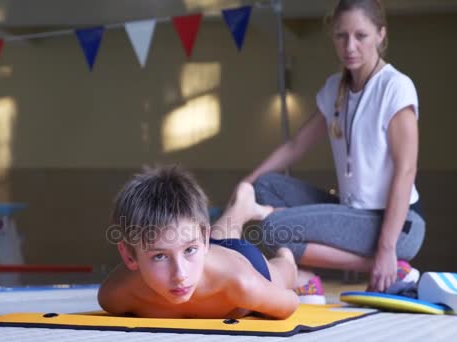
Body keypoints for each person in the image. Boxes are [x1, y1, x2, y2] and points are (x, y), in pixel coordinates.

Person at [243, 0, 425, 293]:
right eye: (341, 35)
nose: (350, 46)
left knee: (274, 229)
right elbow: (295, 146)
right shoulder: (334, 88)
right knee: (264, 187)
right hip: (352, 213)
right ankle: (305, 275)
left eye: (360, 36)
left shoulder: (395, 87)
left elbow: (406, 170)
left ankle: (385, 265)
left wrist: (386, 249)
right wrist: (245, 184)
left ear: (380, 34)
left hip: (399, 224)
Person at [98, 166, 322, 319]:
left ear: (203, 241)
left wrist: (282, 271)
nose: (180, 274)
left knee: (283, 274)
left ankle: (286, 258)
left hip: (243, 264)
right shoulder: (116, 296)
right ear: (129, 257)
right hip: (209, 253)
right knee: (194, 238)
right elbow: (190, 243)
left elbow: (289, 304)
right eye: (159, 256)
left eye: (189, 250)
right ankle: (240, 207)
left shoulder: (243, 284)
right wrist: (191, 249)